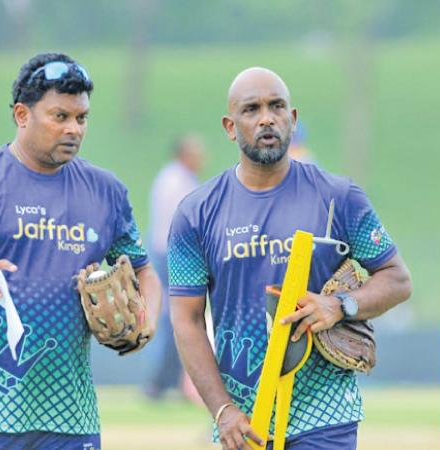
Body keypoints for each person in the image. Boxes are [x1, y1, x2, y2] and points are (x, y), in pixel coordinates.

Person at [0, 52, 161, 449]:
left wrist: (147, 320)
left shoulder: (106, 192)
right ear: (22, 115)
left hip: (69, 418)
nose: (74, 129)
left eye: (81, 118)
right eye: (60, 116)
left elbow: (144, 271)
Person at [168, 67, 412, 450]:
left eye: (276, 106)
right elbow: (186, 318)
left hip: (326, 410)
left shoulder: (339, 197)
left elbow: (397, 279)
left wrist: (340, 305)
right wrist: (222, 410)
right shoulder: (196, 214)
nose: (267, 118)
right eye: (252, 109)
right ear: (230, 127)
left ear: (292, 120)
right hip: (245, 419)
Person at [144, 134, 205, 400]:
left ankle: (174, 381)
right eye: (197, 152)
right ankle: (164, 382)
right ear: (184, 154)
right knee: (180, 318)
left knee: (180, 319)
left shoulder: (175, 178)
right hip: (173, 257)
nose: (202, 158)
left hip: (169, 254)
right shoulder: (175, 181)